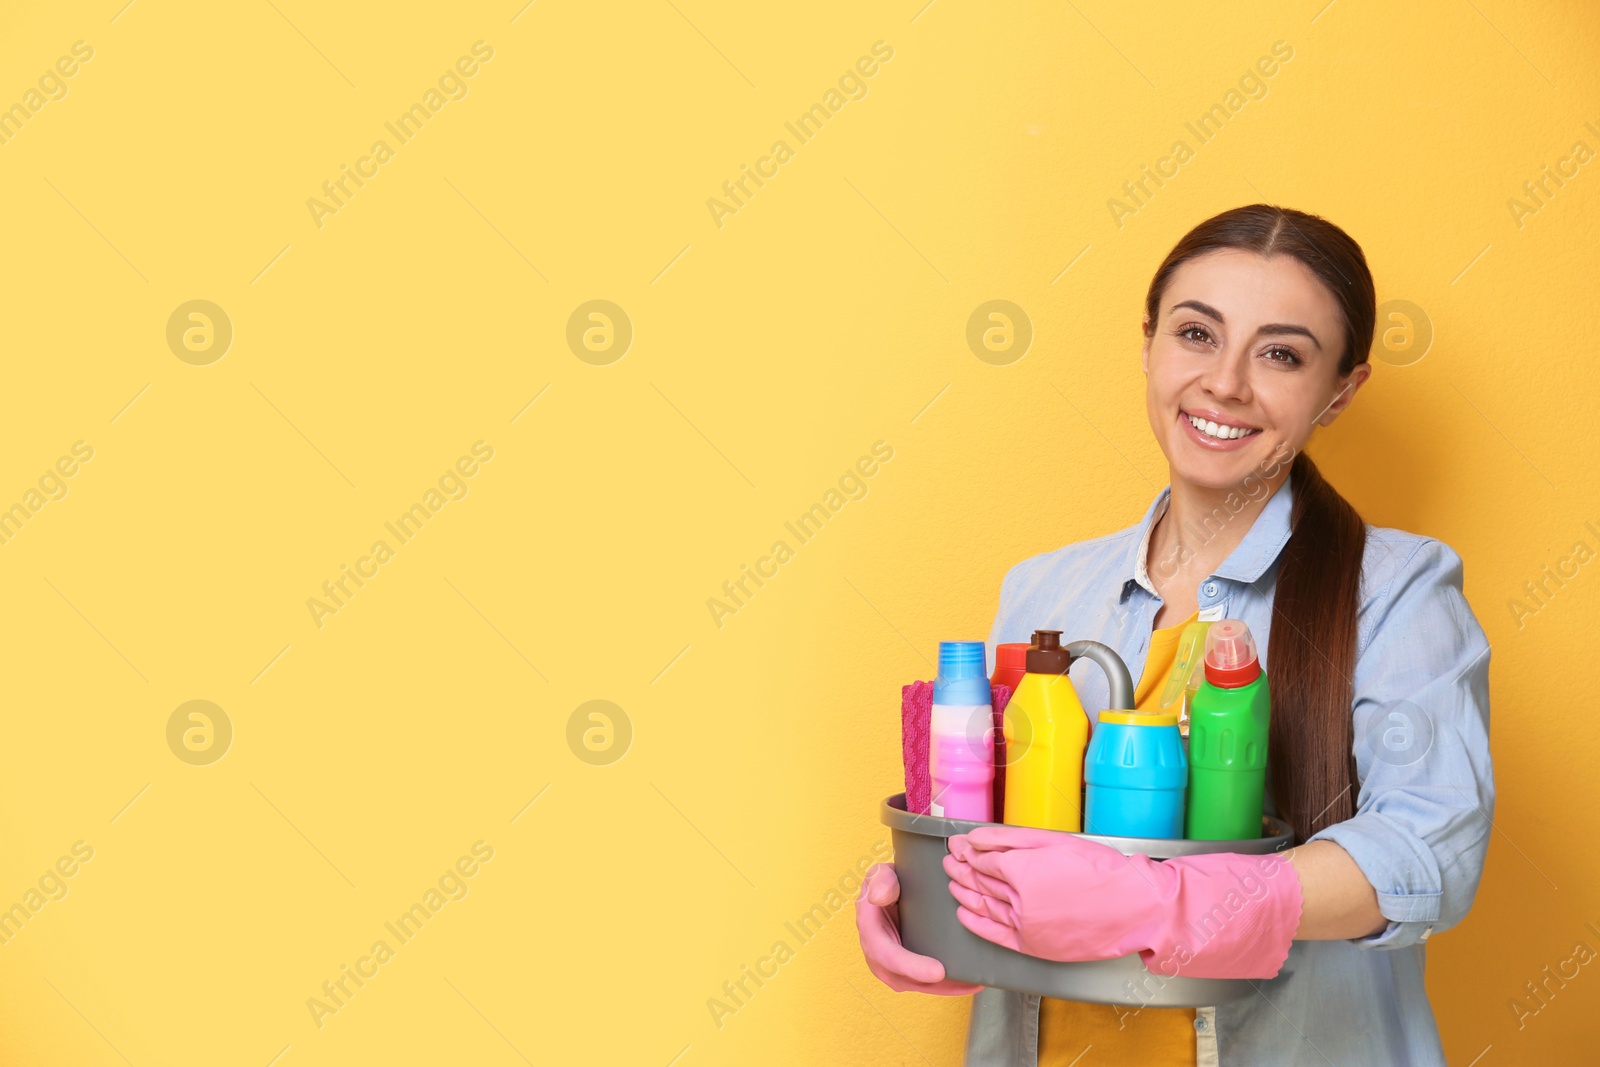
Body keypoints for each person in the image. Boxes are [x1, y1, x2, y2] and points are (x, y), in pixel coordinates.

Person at [856, 204, 1494, 1066]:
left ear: (1341, 391)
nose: (1225, 383)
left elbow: (1426, 851)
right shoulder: (1044, 589)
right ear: (1150, 344)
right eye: (1198, 334)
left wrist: (1160, 904)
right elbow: (989, 823)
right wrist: (930, 910)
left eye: (1280, 353)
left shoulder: (1397, 589)